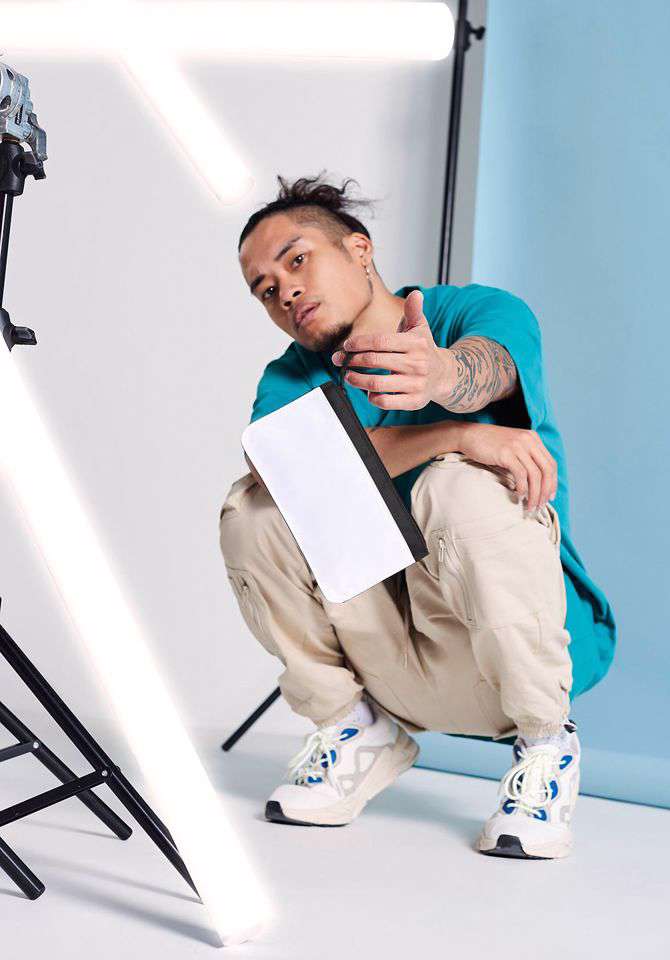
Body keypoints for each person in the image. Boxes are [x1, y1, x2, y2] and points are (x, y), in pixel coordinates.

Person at [219, 172, 616, 859]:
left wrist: (443, 379)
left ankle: (547, 746)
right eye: (264, 289)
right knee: (254, 508)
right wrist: (453, 434)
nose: (284, 291)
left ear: (359, 249)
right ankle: (354, 731)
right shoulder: (290, 376)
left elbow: (489, 366)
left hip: (519, 652)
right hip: (387, 662)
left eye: (297, 260)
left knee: (455, 488)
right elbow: (278, 466)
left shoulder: (474, 311)